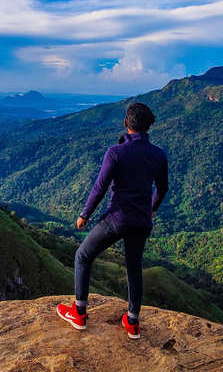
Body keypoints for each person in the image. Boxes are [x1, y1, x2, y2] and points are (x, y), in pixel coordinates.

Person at [57, 102, 169, 339]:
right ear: (149, 126)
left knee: (82, 256)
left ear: (126, 124)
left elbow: (100, 188)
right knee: (134, 268)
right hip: (141, 222)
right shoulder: (159, 155)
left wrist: (84, 214)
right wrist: (152, 209)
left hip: (116, 219)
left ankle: (78, 313)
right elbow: (162, 187)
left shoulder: (116, 152)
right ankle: (133, 322)